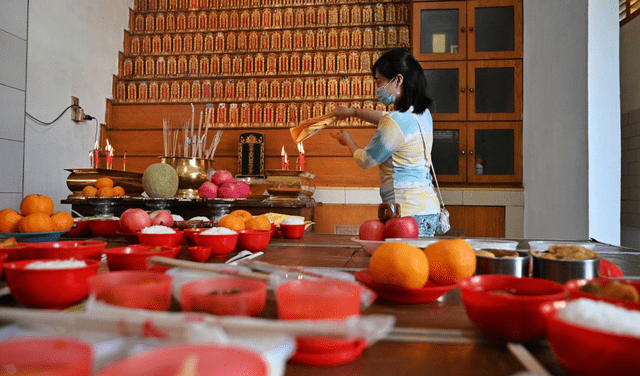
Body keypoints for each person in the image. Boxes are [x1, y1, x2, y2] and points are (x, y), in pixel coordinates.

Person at [330, 48, 441, 236]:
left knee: (399, 263)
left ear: (398, 80)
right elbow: (387, 118)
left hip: (405, 212)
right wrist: (354, 112)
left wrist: (348, 140)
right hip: (429, 209)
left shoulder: (394, 122)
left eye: (379, 81)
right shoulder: (422, 114)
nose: (377, 88)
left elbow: (366, 160)